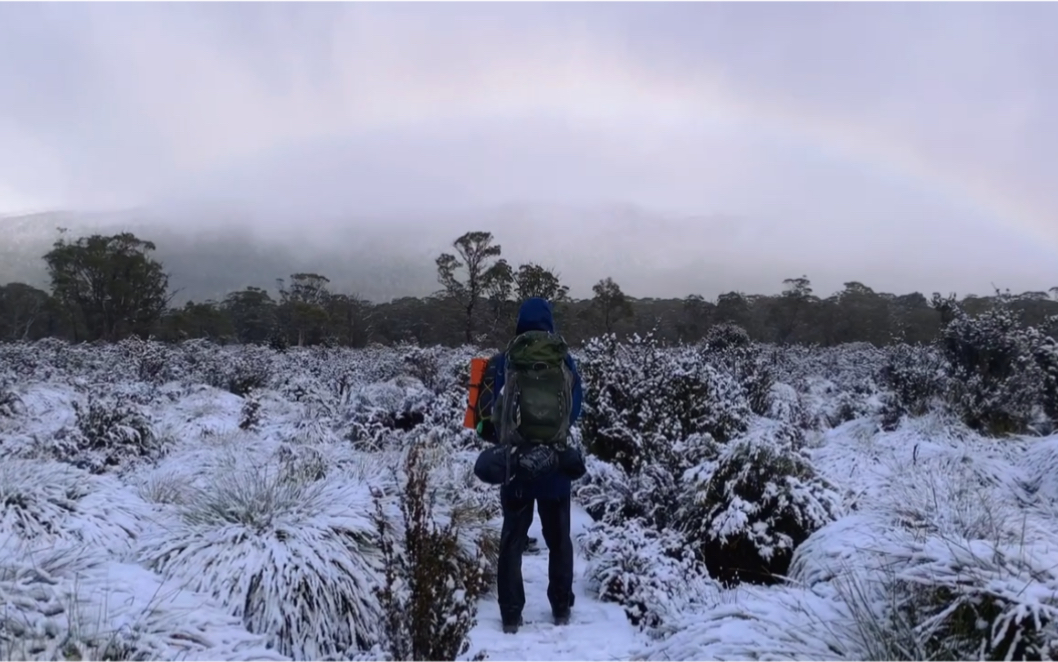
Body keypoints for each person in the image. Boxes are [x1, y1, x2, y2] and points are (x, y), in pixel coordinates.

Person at [473, 297, 586, 634]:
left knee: (512, 539)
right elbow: (575, 411)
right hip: (556, 465)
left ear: (519, 323)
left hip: (515, 466)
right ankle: (561, 607)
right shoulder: (565, 361)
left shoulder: (502, 361)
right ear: (550, 322)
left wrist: (508, 441)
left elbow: (484, 418)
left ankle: (510, 615)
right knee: (559, 540)